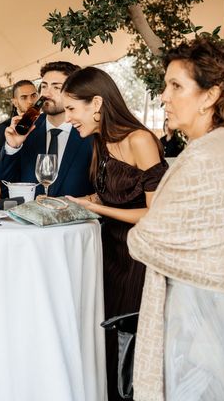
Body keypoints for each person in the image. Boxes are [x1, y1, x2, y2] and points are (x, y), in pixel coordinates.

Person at [127, 37, 224, 400]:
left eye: (176, 86)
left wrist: (140, 234)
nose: (164, 96)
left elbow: (145, 240)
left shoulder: (208, 157)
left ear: (210, 95)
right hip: (221, 307)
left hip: (202, 316)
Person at [61, 66, 167, 401]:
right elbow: (111, 194)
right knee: (106, 339)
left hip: (138, 260)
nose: (67, 119)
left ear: (96, 103)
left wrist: (96, 209)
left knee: (131, 343)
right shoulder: (101, 142)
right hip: (108, 255)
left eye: (71, 109)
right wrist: (76, 202)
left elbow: (156, 215)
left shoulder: (140, 140)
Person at [0, 61, 93, 198]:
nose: (46, 93)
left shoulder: (90, 134)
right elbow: (3, 187)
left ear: (75, 92)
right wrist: (12, 147)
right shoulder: (26, 130)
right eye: (44, 86)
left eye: (56, 87)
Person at [0, 80, 38, 163]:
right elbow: (0, 170)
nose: (30, 101)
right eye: (24, 97)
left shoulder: (46, 122)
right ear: (15, 102)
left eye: (33, 95)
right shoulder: (4, 129)